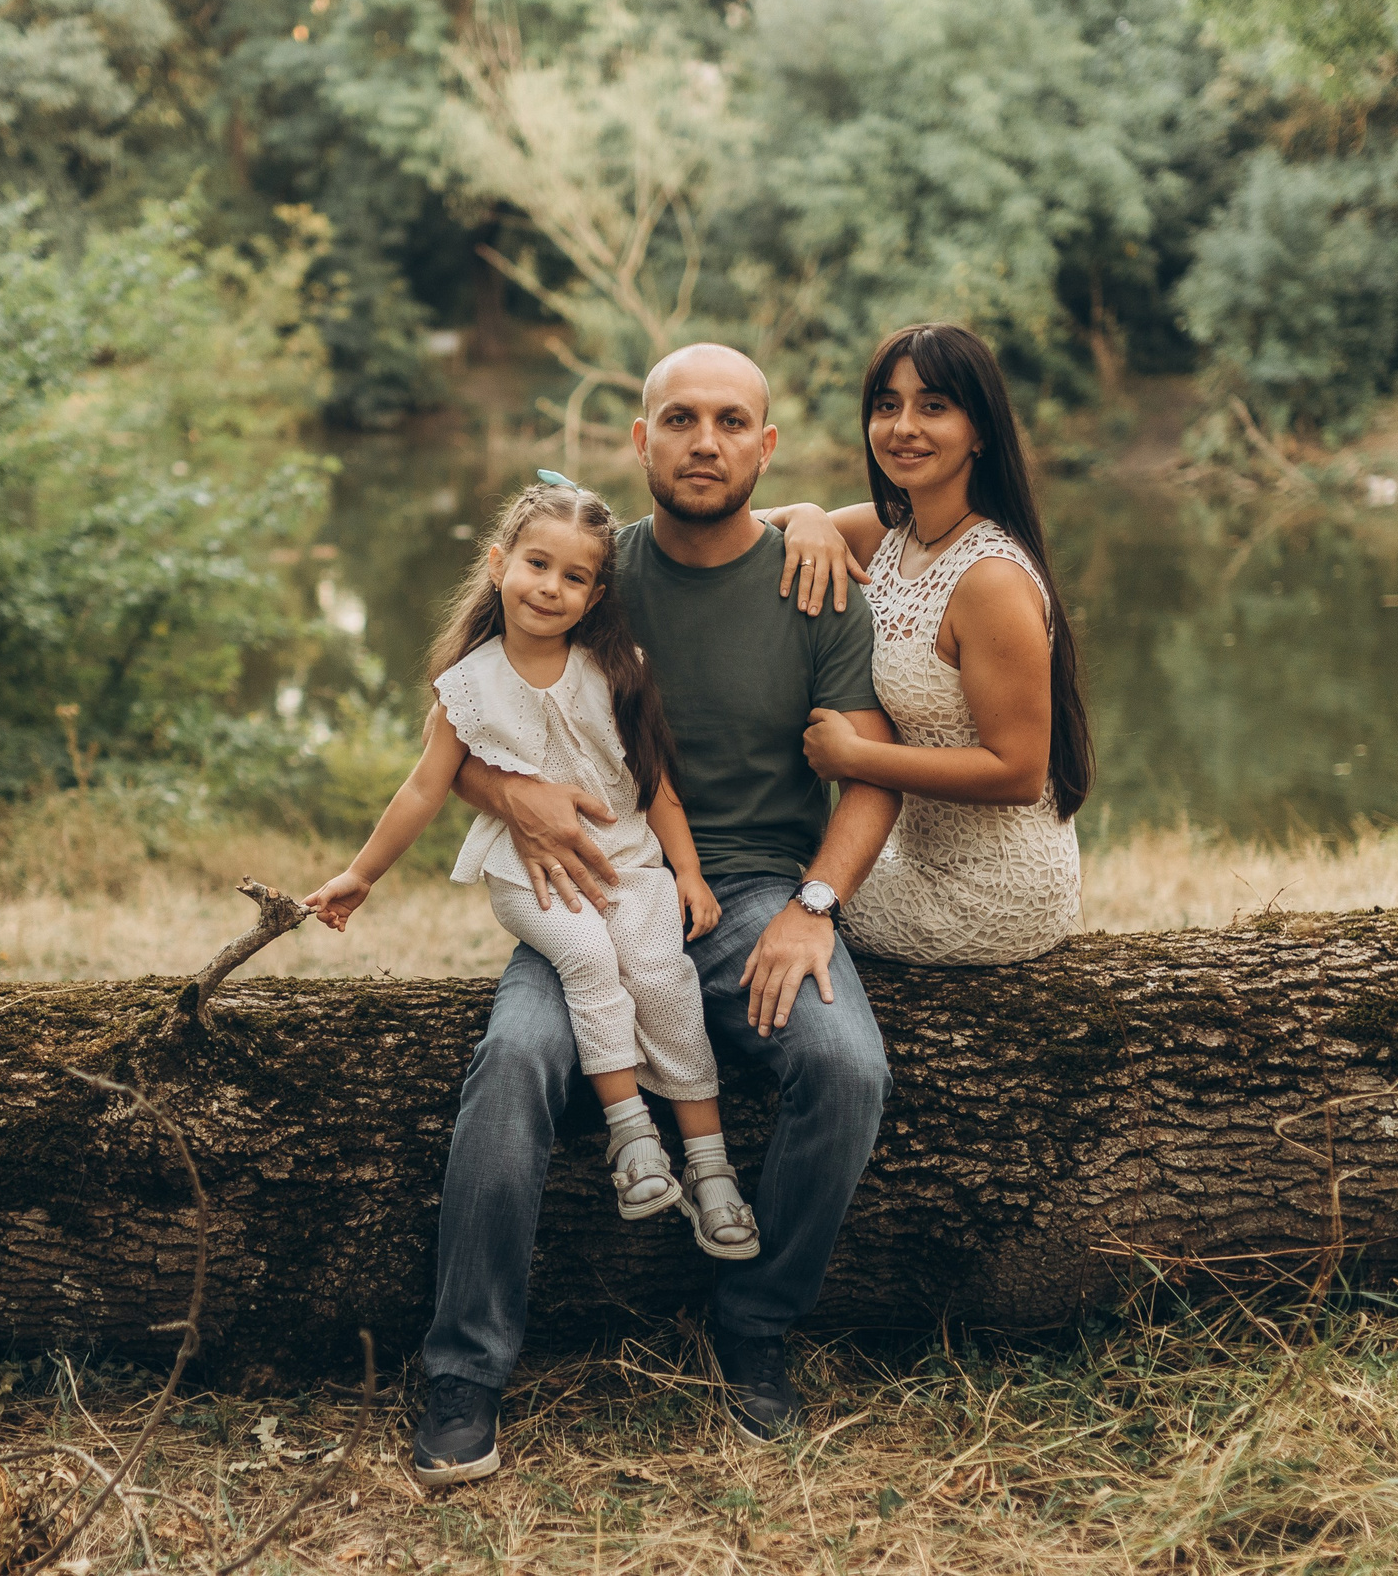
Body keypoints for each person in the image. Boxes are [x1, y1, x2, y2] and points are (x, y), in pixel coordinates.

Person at [407, 343, 899, 1485]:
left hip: (758, 894)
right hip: (594, 880)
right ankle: (462, 1372)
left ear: (765, 447)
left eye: (732, 422)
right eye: (679, 418)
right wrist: (511, 790)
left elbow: (870, 771)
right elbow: (454, 727)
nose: (705, 441)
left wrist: (815, 904)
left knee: (848, 1066)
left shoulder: (811, 578)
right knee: (516, 1057)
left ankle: (754, 1324)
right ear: (640, 440)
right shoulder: (588, 571)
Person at [304, 481, 764, 1270]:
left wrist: (686, 872)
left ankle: (712, 1167)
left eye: (574, 576)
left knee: (661, 975)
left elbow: (654, 785)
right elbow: (424, 787)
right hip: (530, 872)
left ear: (594, 595)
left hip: (628, 862)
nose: (550, 587)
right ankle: (632, 1142)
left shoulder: (616, 670)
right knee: (587, 958)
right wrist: (361, 874)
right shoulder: (468, 688)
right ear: (497, 564)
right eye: (536, 564)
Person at [758, 322, 1092, 964]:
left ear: (980, 432)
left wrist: (853, 757)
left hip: (989, 893)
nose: (903, 426)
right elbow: (742, 539)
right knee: (755, 872)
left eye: (932, 406)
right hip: (906, 852)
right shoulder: (891, 531)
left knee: (765, 894)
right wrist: (803, 513)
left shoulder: (989, 578)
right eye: (887, 405)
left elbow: (1018, 771)